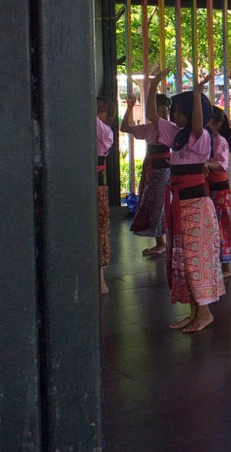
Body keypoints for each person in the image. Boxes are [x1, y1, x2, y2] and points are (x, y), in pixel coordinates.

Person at [145, 69, 224, 333]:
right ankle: (194, 312)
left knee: (195, 258)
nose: (174, 115)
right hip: (180, 204)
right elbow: (152, 116)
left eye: (179, 111)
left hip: (196, 205)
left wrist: (198, 94)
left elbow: (198, 124)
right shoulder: (176, 137)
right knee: (183, 258)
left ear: (190, 113)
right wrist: (153, 85)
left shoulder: (201, 137)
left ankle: (205, 313)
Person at [122, 88, 172, 257]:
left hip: (163, 168)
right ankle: (161, 242)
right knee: (153, 202)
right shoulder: (150, 128)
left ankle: (163, 242)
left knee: (160, 203)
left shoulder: (168, 127)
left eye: (163, 110)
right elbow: (125, 127)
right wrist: (130, 108)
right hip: (151, 166)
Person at [207, 106, 231, 280]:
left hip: (219, 188)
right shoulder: (206, 138)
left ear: (216, 124)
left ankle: (226, 266)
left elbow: (221, 164)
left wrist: (205, 165)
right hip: (208, 186)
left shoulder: (220, 141)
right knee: (212, 226)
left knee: (222, 226)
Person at [96, 96, 116, 294]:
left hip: (97, 186)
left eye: (101, 111)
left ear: (108, 117)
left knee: (100, 228)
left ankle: (100, 278)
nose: (96, 114)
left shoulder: (106, 132)